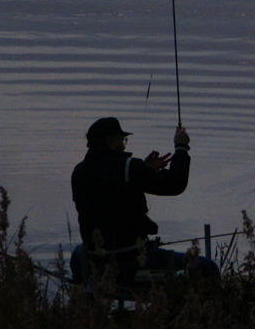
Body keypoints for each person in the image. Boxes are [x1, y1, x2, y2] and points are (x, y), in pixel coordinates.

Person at [70, 116, 218, 286]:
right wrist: (181, 147)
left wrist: (146, 170)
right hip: (132, 259)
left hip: (95, 258)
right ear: (111, 142)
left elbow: (109, 188)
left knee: (78, 253)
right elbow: (175, 184)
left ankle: (85, 303)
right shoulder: (129, 168)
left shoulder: (79, 172)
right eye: (122, 141)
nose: (124, 145)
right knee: (209, 267)